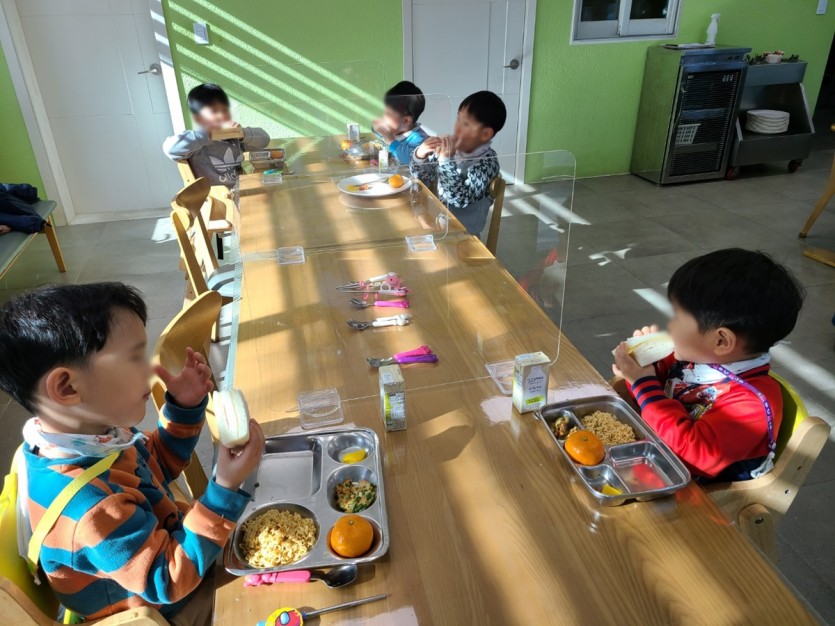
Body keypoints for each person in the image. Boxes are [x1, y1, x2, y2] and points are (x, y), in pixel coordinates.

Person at [0, 283, 265, 623]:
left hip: (177, 555)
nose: (150, 369)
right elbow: (167, 580)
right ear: (67, 387)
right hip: (165, 607)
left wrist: (184, 409)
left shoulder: (90, 438)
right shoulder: (90, 509)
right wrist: (224, 490)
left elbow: (152, 466)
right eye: (134, 358)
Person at [612, 249, 804, 482]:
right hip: (660, 454)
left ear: (721, 341)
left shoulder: (751, 405)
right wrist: (646, 366)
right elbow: (659, 393)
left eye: (678, 318)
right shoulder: (697, 357)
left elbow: (691, 455)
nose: (670, 326)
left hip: (697, 489)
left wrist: (643, 383)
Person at [410, 91, 505, 235]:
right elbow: (421, 178)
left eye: (466, 124)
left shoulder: (487, 163)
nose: (457, 127)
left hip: (464, 234)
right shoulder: (454, 149)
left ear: (485, 134)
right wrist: (420, 155)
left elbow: (460, 200)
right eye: (458, 118)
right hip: (439, 225)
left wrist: (445, 161)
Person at [163, 83, 269, 188]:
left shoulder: (234, 137)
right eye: (214, 111)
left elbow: (265, 140)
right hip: (215, 196)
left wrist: (243, 133)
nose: (221, 115)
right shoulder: (196, 143)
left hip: (242, 189)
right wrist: (203, 135)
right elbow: (170, 149)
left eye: (224, 110)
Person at [372, 81, 428, 165]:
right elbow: (381, 135)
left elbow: (410, 160)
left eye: (389, 115)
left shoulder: (419, 139)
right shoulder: (398, 131)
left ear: (406, 121)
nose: (384, 117)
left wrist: (391, 140)